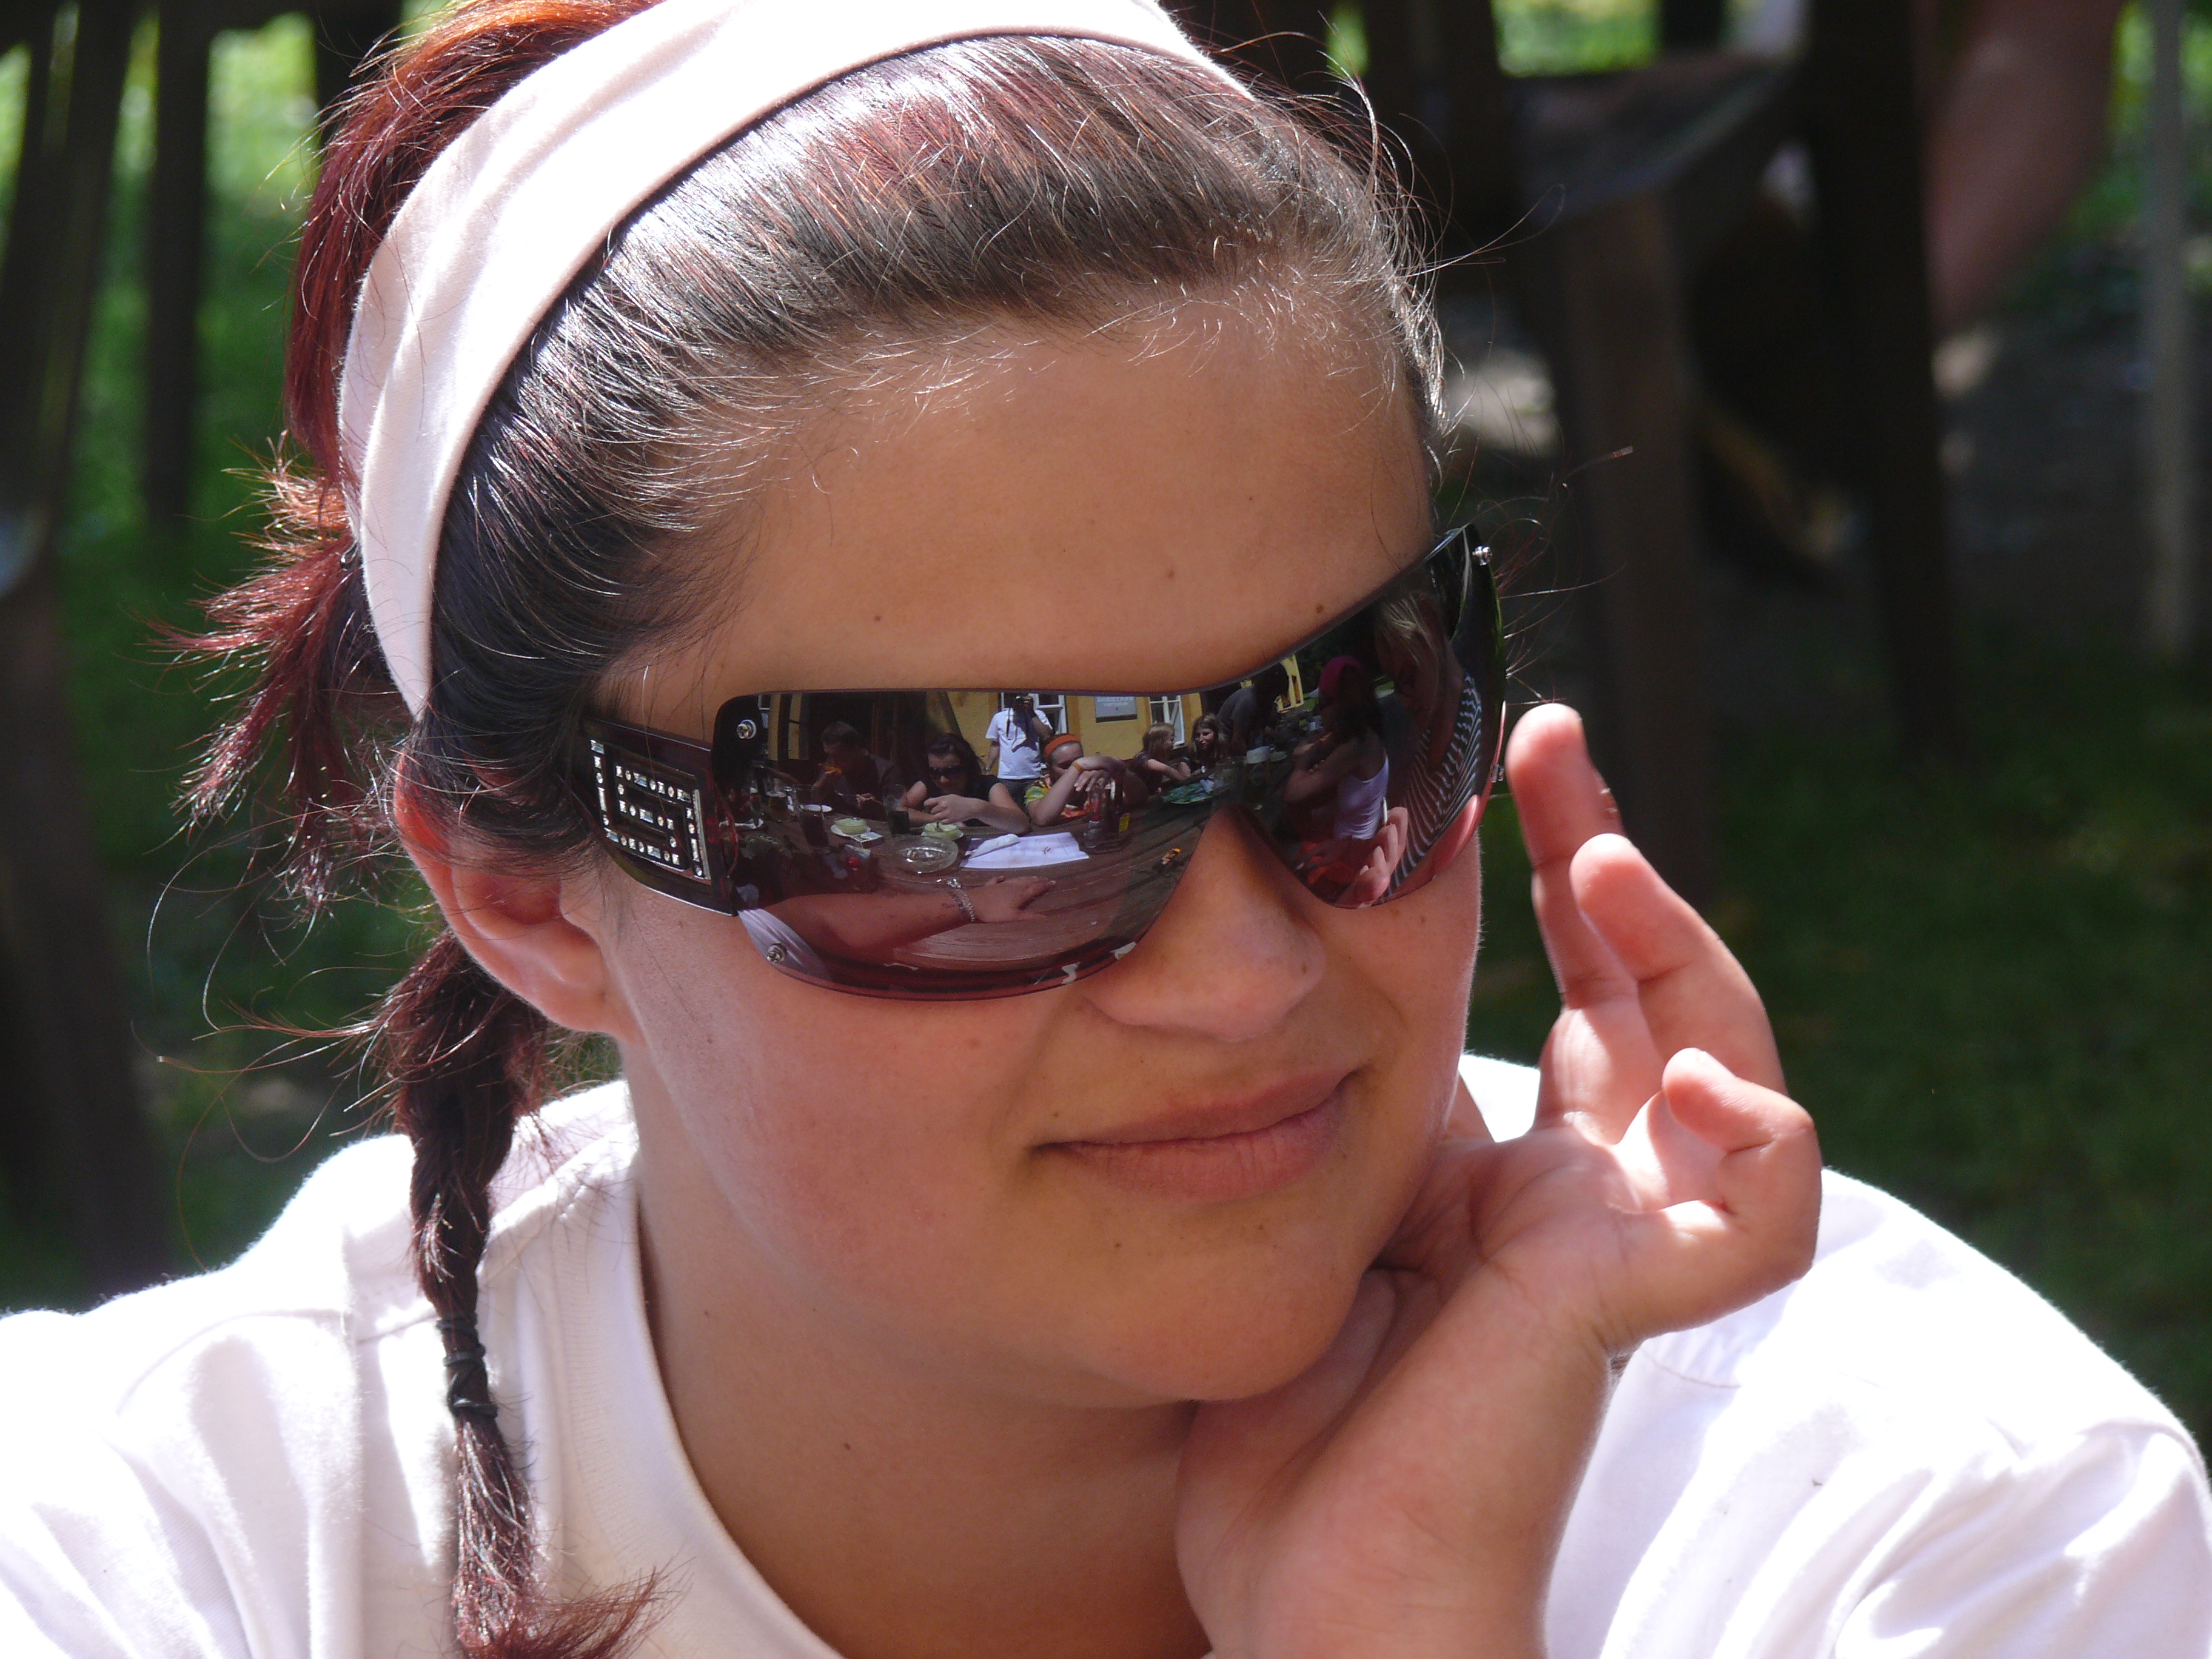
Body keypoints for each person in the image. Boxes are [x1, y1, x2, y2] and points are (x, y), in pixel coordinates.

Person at [1, 7, 2205, 1659]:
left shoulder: (1930, 1534)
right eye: (982, 810)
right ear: (519, 890)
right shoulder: (153, 1556)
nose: (1243, 971)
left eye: (1348, 720)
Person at [901, 731, 1030, 834]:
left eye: (952, 772)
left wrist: (976, 809)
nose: (943, 780)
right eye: (935, 772)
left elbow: (1021, 824)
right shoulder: (928, 784)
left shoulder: (987, 785)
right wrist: (940, 819)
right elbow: (898, 811)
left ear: (968, 767)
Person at [984, 693, 1053, 791]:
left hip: (1033, 775)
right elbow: (995, 745)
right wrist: (988, 769)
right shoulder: (999, 717)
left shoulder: (1038, 715)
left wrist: (1031, 713)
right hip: (1007, 776)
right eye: (1014, 697)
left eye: (1021, 698)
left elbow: (1046, 736)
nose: (1018, 701)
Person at [1134, 721, 1193, 791]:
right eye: (1171, 740)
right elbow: (1177, 776)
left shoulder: (1154, 757)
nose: (1173, 743)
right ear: (1160, 742)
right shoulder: (1149, 762)